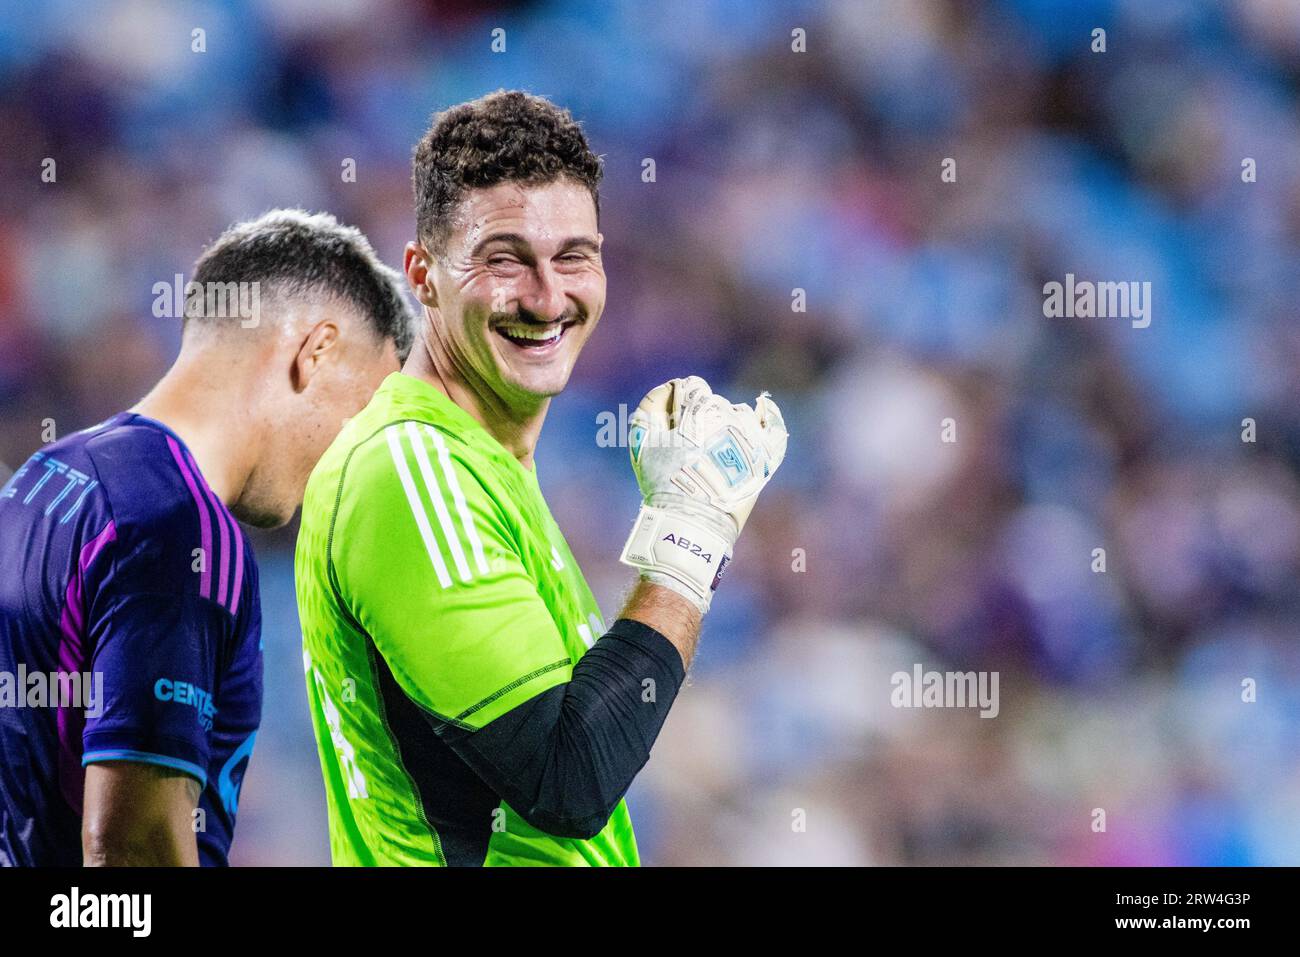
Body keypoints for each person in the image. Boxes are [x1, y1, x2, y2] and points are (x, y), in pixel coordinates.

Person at [295, 90, 787, 866]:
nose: (548, 296)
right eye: (504, 259)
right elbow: (571, 779)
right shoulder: (409, 469)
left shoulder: (485, 463)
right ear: (422, 274)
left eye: (573, 257)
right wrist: (692, 530)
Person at [0, 209, 412, 865]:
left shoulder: (43, 480)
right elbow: (132, 848)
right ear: (316, 352)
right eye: (364, 414)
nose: (355, 454)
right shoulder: (181, 527)